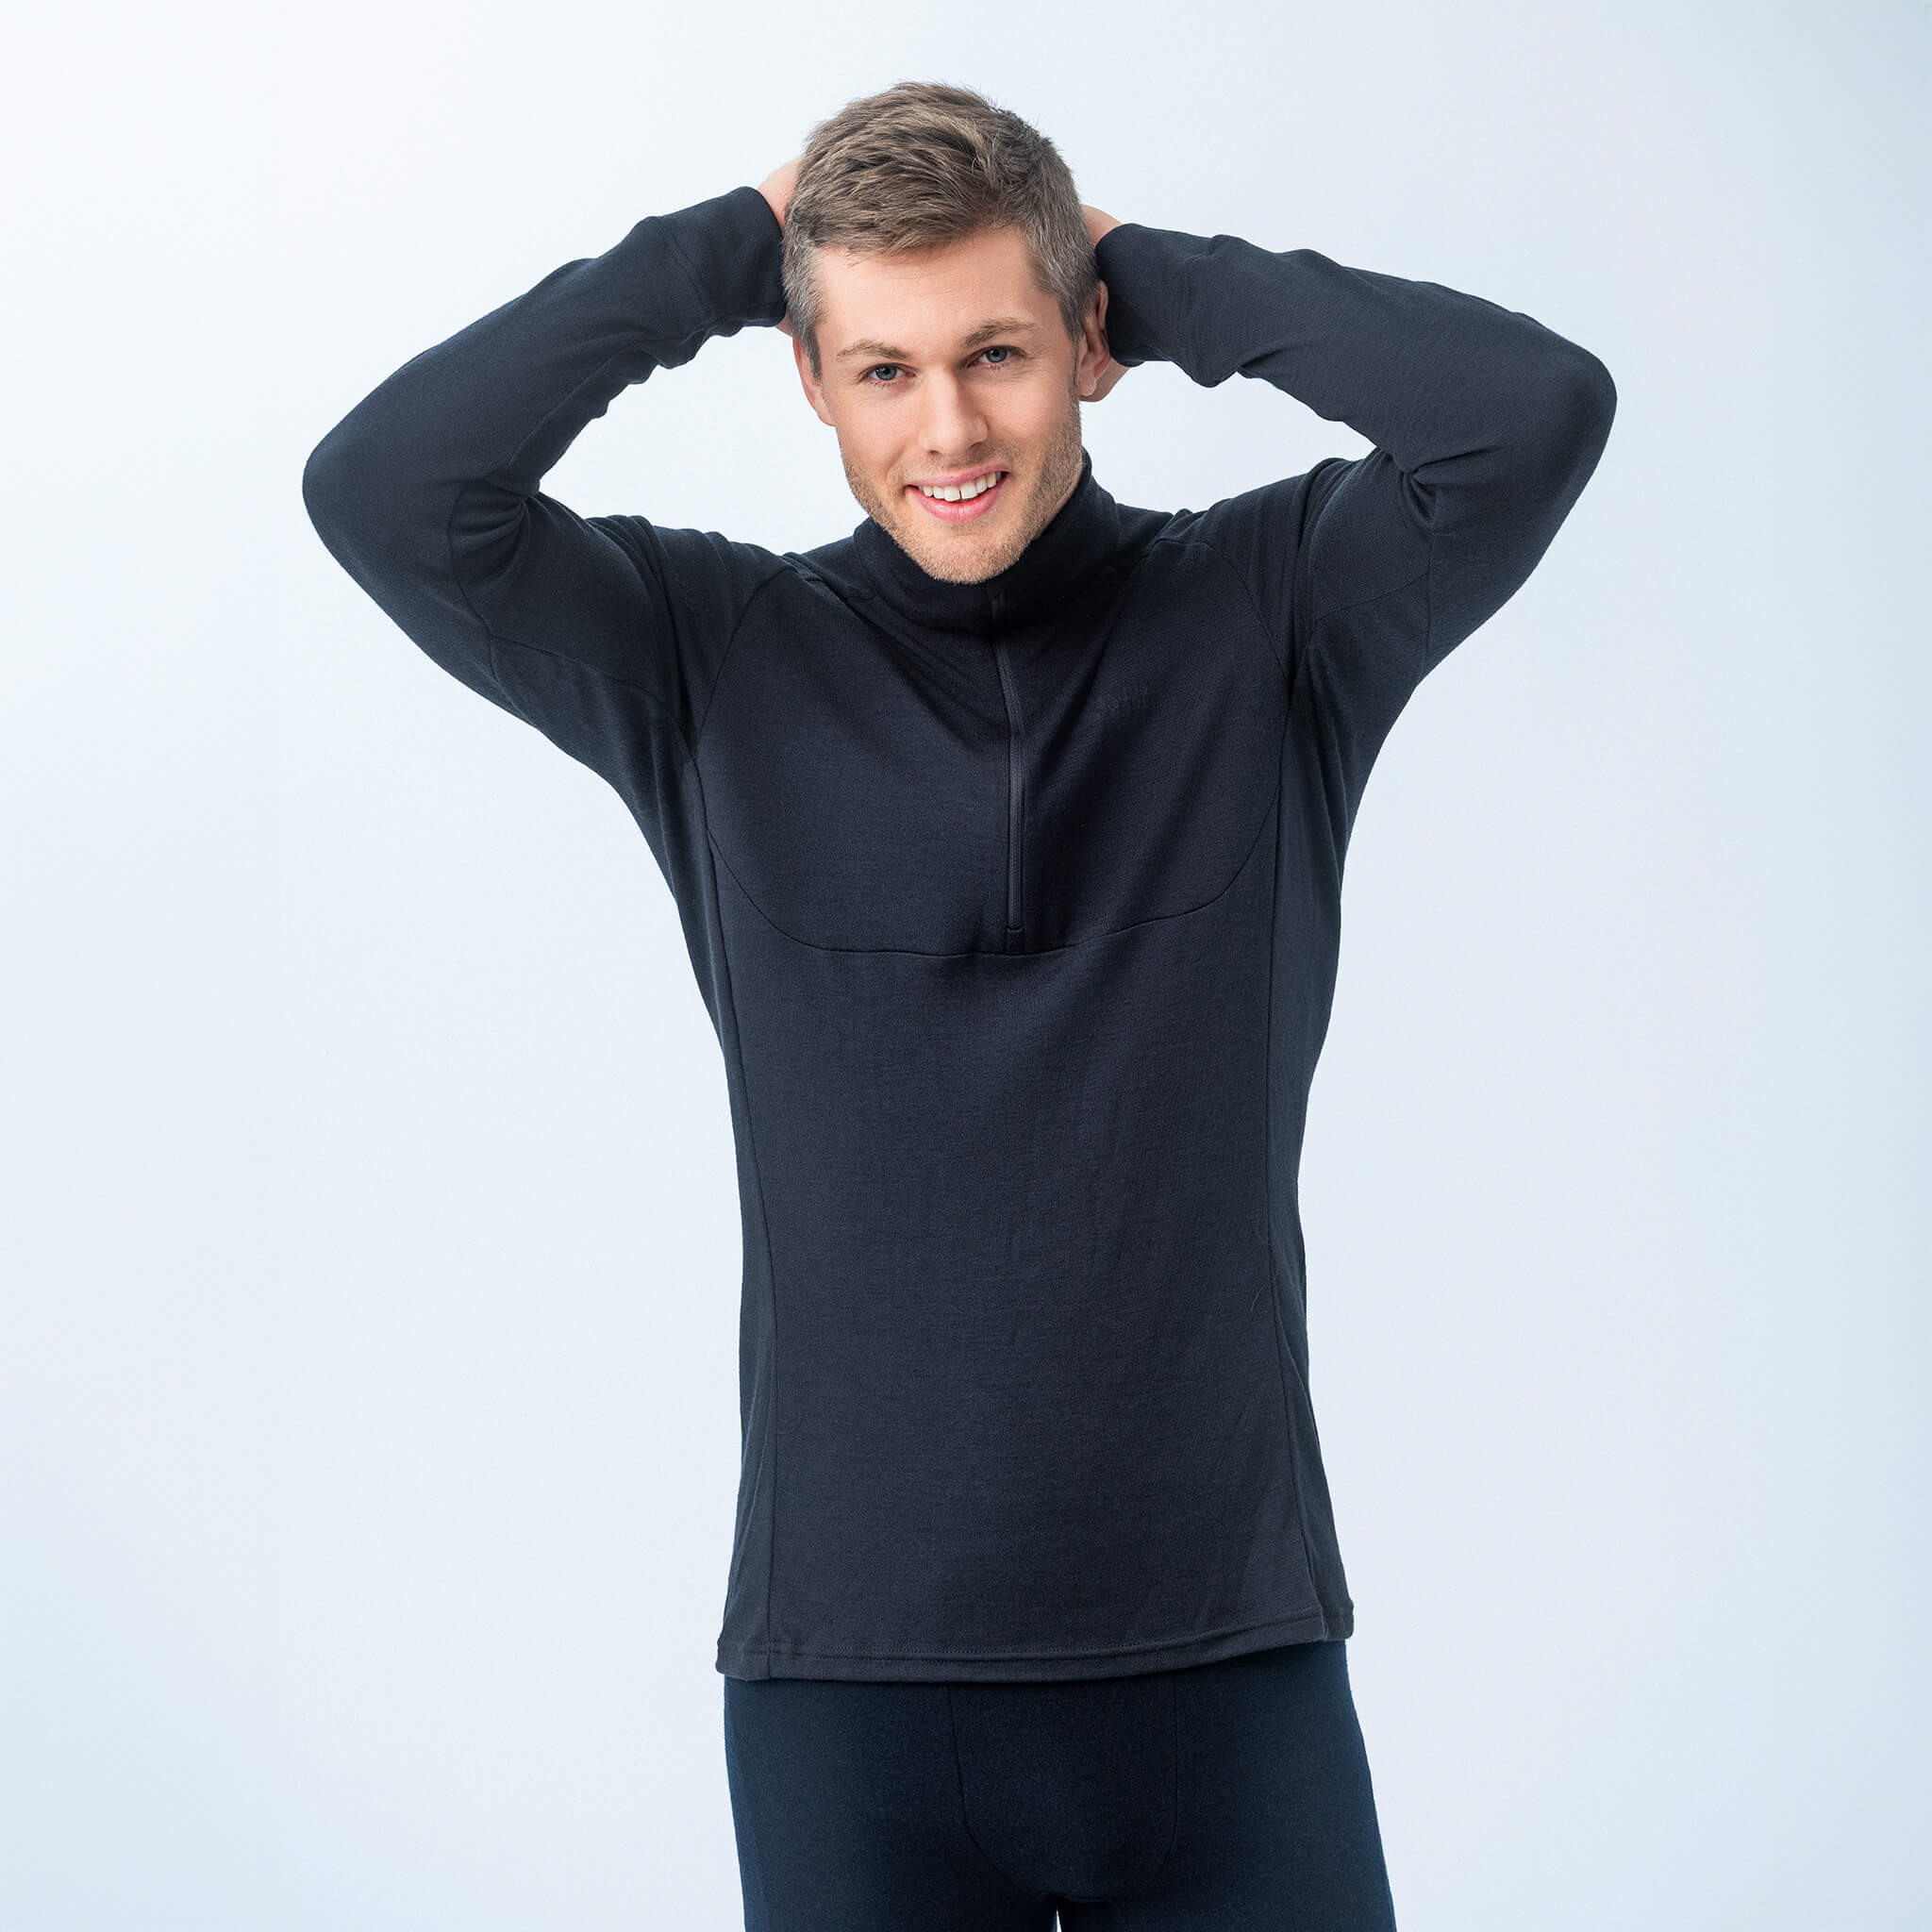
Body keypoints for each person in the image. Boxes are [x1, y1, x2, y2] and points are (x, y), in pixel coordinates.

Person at [303, 76, 1614, 1932]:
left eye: (996, 351)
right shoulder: (708, 661)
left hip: (1225, 1667)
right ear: (814, 382)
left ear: (1084, 345)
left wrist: (1141, 271)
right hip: (853, 1697)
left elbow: (1529, 416)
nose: (948, 428)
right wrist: (719, 254)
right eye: (885, 369)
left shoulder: (1271, 617)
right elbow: (389, 491)